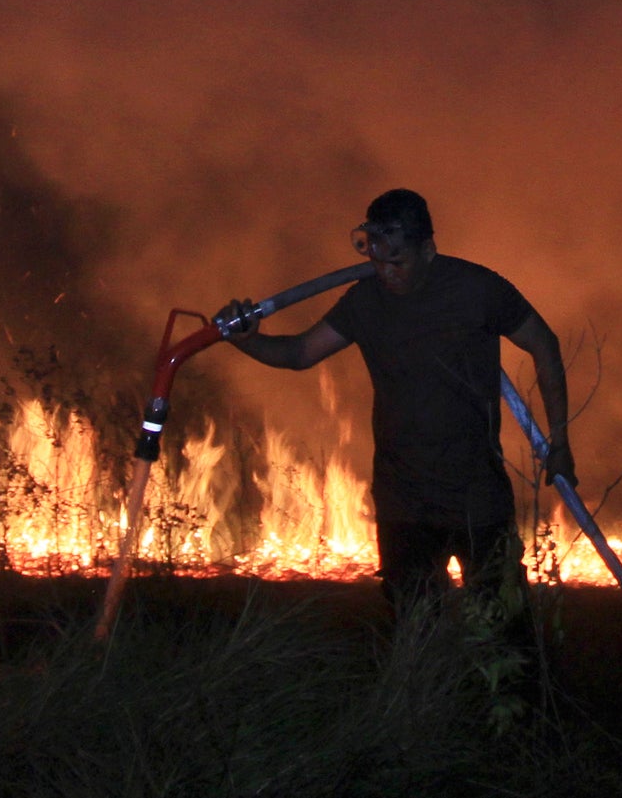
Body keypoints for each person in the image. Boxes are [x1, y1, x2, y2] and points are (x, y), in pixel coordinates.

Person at [214, 188, 573, 617]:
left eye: (397, 262)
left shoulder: (477, 289)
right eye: (377, 261)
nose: (386, 273)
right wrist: (246, 341)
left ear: (428, 249)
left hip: (476, 497)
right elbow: (299, 354)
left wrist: (560, 440)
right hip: (404, 503)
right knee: (416, 632)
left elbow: (544, 344)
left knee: (504, 630)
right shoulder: (364, 302)